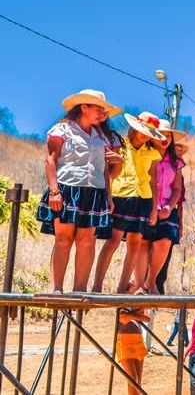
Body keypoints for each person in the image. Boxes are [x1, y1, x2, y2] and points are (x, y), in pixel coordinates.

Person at [37, 89, 121, 293]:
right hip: (67, 189)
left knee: (86, 241)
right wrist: (54, 191)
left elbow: (105, 171)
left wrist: (108, 196)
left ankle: (80, 289)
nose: (102, 113)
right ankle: (56, 288)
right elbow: (51, 160)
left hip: (95, 191)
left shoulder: (103, 137)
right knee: (63, 239)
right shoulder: (62, 130)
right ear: (84, 107)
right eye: (98, 108)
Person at [93, 111, 165, 294]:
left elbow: (153, 181)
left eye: (149, 133)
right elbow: (107, 173)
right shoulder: (120, 145)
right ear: (134, 127)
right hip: (121, 196)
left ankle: (121, 288)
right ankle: (97, 286)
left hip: (143, 199)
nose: (145, 135)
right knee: (113, 241)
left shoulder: (153, 153)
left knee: (135, 243)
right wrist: (108, 196)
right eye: (143, 130)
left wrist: (154, 210)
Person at [142, 119, 186, 294]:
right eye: (160, 134)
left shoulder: (176, 162)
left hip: (168, 207)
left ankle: (151, 281)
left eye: (168, 135)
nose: (165, 138)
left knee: (164, 242)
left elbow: (177, 188)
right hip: (146, 204)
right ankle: (139, 282)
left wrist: (169, 207)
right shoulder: (145, 155)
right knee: (143, 245)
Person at [116, 305, 150, 395]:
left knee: (138, 380)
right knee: (132, 378)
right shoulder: (121, 309)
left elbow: (147, 318)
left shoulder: (133, 309)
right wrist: (137, 313)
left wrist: (134, 313)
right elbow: (124, 317)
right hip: (125, 344)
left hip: (138, 342)